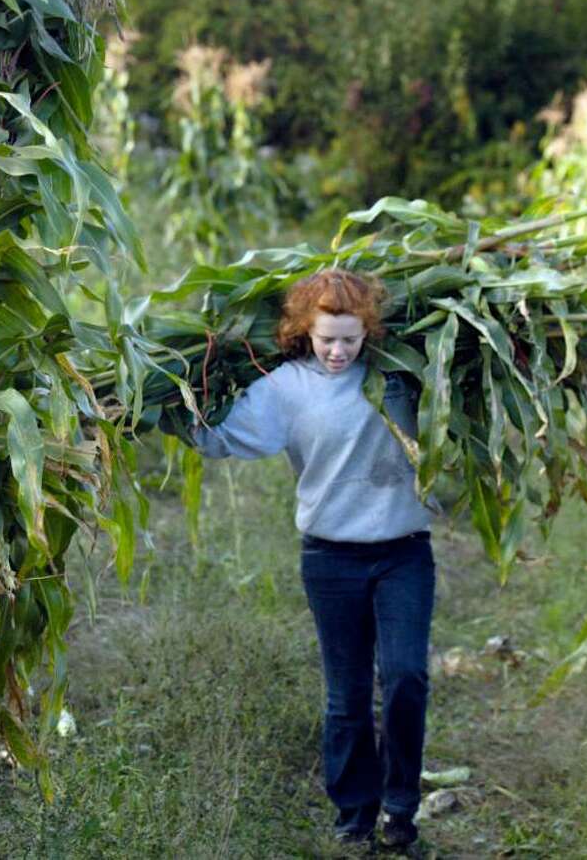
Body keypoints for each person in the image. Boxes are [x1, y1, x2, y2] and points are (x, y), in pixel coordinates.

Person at [193, 269, 437, 851]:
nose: (337, 350)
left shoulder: (400, 375)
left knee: (406, 677)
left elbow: (463, 409)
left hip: (404, 552)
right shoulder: (286, 387)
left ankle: (401, 803)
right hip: (330, 558)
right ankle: (355, 813)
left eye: (350, 339)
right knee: (347, 693)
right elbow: (220, 436)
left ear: (369, 333)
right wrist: (176, 403)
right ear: (304, 330)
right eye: (327, 337)